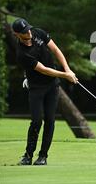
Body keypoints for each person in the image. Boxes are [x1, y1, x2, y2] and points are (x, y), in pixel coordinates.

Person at [12, 18, 78, 165]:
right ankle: (28, 155)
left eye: (28, 29)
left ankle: (43, 156)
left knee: (50, 120)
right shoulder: (22, 53)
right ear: (17, 34)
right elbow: (44, 70)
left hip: (52, 86)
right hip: (36, 87)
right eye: (24, 32)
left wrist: (67, 69)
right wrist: (65, 75)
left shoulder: (38, 33)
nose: (28, 32)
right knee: (36, 121)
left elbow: (56, 50)